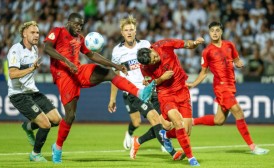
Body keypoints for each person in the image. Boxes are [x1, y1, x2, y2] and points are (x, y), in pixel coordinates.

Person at [43, 13, 154, 163]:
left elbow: (92, 55)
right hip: (63, 76)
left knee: (108, 73)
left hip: (77, 70)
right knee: (70, 116)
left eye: (81, 25)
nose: (79, 28)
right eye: (76, 25)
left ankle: (139, 93)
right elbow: (47, 48)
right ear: (68, 22)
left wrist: (115, 65)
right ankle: (57, 147)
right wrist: (67, 62)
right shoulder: (57, 31)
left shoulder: (80, 38)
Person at [108, 15, 185, 160]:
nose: (129, 32)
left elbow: (154, 65)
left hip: (152, 89)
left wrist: (155, 80)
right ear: (122, 32)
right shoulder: (117, 51)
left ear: (136, 30)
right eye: (126, 30)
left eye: (131, 29)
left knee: (166, 125)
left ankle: (138, 141)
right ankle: (173, 153)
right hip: (134, 92)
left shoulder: (145, 44)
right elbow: (115, 77)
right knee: (155, 120)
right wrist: (112, 98)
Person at [186, 21, 269, 155]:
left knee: (219, 120)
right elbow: (203, 72)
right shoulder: (207, 51)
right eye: (212, 30)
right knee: (239, 113)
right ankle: (253, 147)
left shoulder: (230, 45)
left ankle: (192, 121)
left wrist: (238, 63)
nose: (214, 32)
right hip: (221, 87)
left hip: (231, 85)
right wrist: (193, 84)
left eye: (217, 30)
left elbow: (236, 60)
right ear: (209, 32)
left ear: (221, 32)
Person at [137, 37, 205, 166]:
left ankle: (165, 135)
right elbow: (151, 84)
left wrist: (195, 43)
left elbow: (187, 44)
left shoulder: (164, 44)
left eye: (154, 57)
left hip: (182, 91)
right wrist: (161, 78)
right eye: (152, 62)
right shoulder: (144, 67)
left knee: (186, 131)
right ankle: (191, 158)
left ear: (150, 50)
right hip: (166, 94)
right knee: (178, 122)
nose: (156, 60)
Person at [7, 21, 62, 162]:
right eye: (33, 32)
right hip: (19, 94)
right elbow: (12, 74)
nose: (36, 35)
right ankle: (35, 154)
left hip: (33, 92)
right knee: (45, 124)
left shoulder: (35, 49)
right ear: (24, 33)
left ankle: (28, 126)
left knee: (56, 120)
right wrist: (31, 69)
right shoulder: (15, 50)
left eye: (37, 32)